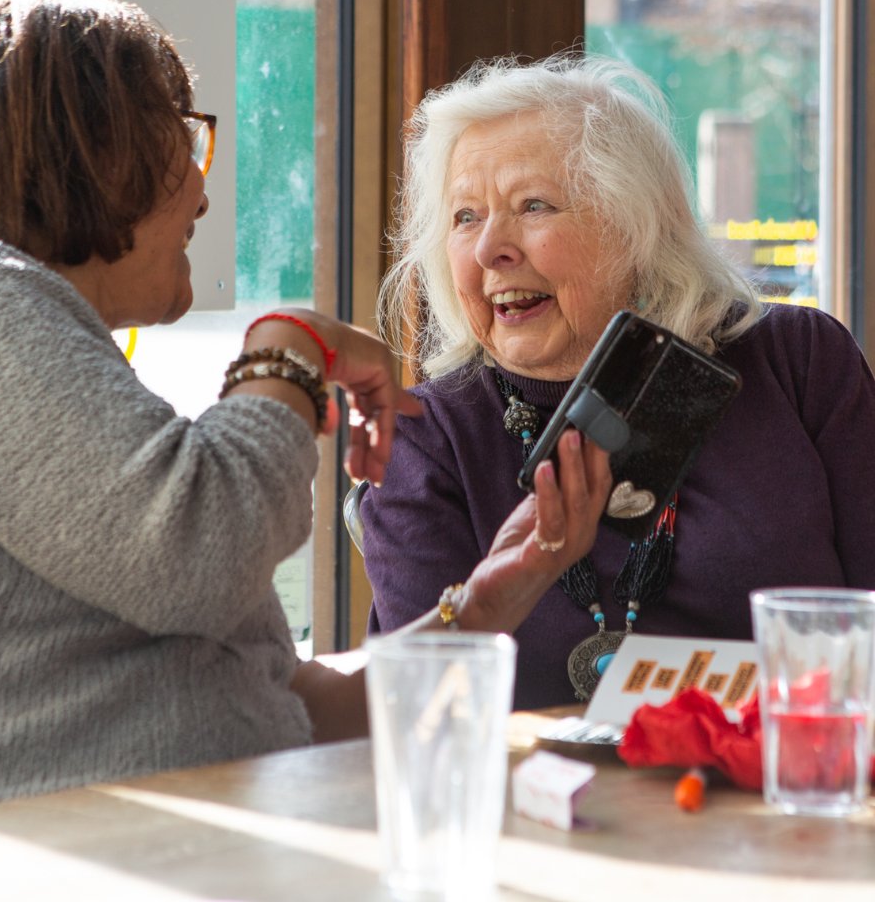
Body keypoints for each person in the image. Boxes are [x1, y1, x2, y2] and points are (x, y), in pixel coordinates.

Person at [0, 0, 612, 832]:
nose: (201, 190)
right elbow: (202, 553)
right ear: (84, 152)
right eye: (179, 138)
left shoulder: (64, 389)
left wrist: (487, 599)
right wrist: (289, 348)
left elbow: (284, 707)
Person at [361, 51, 875, 710]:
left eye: (534, 204)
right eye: (465, 218)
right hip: (543, 805)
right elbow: (423, 711)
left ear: (637, 227)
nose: (491, 248)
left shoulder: (797, 364)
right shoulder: (426, 438)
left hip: (788, 791)